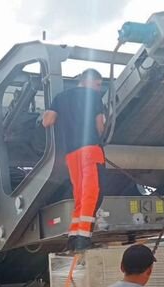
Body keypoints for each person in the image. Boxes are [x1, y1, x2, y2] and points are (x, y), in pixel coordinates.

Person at [42, 68, 106, 252]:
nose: (98, 88)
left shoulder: (61, 98)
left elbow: (47, 121)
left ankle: (74, 235)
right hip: (90, 150)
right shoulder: (93, 97)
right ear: (87, 81)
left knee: (79, 194)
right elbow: (100, 127)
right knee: (92, 193)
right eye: (98, 84)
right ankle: (83, 239)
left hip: (72, 155)